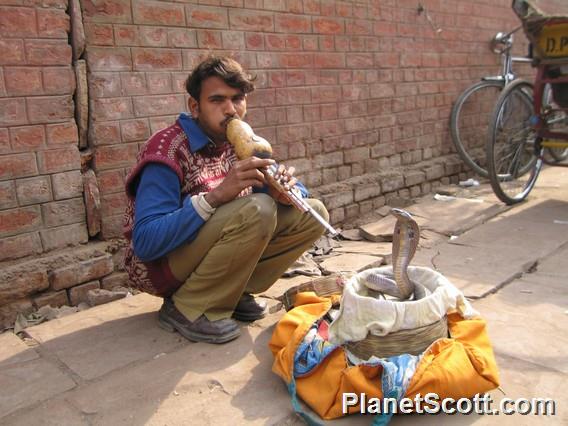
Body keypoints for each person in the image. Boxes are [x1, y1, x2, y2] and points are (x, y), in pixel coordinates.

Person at [123, 56, 329, 344]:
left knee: (311, 211)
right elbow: (145, 243)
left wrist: (281, 192)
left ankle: (233, 292)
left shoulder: (242, 141)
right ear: (195, 107)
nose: (231, 110)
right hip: (162, 268)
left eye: (238, 99)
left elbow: (296, 195)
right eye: (217, 100)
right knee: (258, 209)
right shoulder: (166, 148)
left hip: (208, 251)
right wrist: (217, 196)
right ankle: (187, 307)